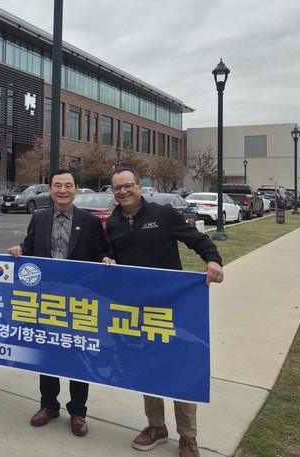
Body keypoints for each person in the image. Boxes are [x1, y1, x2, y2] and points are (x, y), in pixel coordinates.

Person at [105, 167, 224, 457]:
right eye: (118, 188)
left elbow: (197, 239)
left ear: (139, 187)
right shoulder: (113, 222)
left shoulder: (163, 214)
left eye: (128, 185)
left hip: (172, 306)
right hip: (136, 307)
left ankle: (188, 437)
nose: (123, 191)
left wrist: (213, 259)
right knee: (147, 366)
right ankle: (156, 427)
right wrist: (107, 258)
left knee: (179, 368)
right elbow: (112, 254)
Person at [7, 168, 110, 437]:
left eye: (68, 185)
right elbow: (30, 247)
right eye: (57, 185)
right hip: (47, 299)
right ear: (50, 189)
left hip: (79, 301)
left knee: (79, 353)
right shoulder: (39, 218)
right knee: (48, 351)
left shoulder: (89, 222)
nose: (62, 190)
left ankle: (78, 411)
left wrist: (105, 259)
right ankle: (49, 406)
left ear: (76, 189)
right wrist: (20, 250)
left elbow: (101, 252)